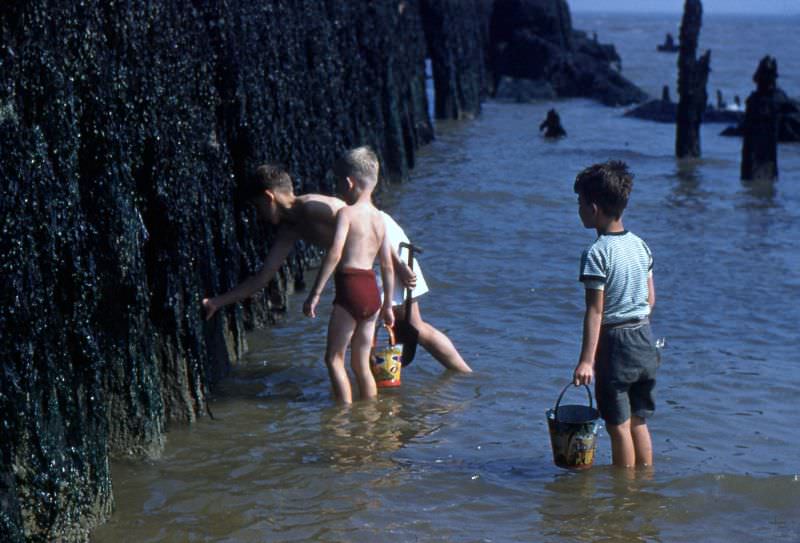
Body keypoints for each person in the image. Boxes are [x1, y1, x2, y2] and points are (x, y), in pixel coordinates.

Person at [572, 161, 659, 468]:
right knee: (638, 420)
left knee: (616, 425)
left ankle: (624, 494)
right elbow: (650, 299)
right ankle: (644, 483)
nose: (578, 209)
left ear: (594, 208)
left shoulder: (596, 253)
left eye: (580, 203)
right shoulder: (641, 246)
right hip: (645, 339)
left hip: (616, 343)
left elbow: (595, 311)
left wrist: (586, 360)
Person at [303, 147, 395, 403]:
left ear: (348, 182)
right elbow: (387, 265)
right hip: (372, 293)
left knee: (333, 359)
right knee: (361, 364)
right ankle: (369, 416)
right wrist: (387, 305)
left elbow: (334, 252)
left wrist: (315, 293)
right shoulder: (380, 219)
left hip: (351, 287)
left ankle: (343, 420)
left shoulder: (347, 213)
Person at [202, 164, 346, 321]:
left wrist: (315, 294)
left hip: (369, 269)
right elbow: (263, 277)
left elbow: (360, 228)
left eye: (258, 207)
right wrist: (215, 302)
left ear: (268, 197)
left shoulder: (313, 207)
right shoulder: (289, 229)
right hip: (352, 273)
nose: (259, 215)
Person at [377, 211, 472, 373]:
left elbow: (380, 240)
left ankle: (371, 388)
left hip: (393, 260)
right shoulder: (378, 214)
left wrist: (400, 266)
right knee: (415, 325)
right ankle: (464, 373)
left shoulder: (347, 210)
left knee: (367, 329)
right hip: (400, 254)